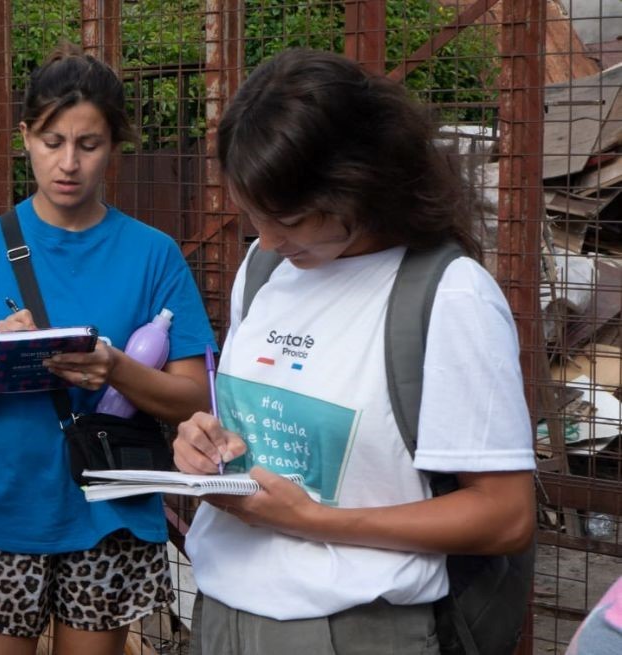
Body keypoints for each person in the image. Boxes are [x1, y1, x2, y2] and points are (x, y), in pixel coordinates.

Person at [172, 48, 536, 655]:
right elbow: (251, 438)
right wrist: (205, 446)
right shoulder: (264, 272)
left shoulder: (449, 295)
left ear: (357, 185)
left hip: (355, 628)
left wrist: (313, 523)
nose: (267, 239)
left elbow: (505, 515)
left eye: (287, 218)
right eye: (255, 216)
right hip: (223, 614)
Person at [0, 42, 217, 655]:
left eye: (89, 144)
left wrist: (115, 367)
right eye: (53, 142)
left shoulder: (152, 254)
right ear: (25, 137)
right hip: (1, 510)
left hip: (108, 511)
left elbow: (195, 398)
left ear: (114, 147)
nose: (68, 163)